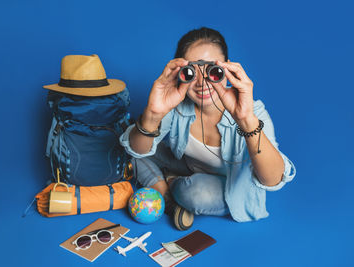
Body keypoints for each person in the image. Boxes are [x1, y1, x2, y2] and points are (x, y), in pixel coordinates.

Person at [120, 27, 296, 230]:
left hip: (230, 184)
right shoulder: (177, 103)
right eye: (191, 72)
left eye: (213, 71)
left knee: (194, 194)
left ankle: (174, 184)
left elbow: (273, 179)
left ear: (228, 70)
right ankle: (166, 191)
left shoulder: (252, 111)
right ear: (179, 73)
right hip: (187, 167)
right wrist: (152, 114)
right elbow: (138, 149)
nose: (202, 83)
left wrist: (246, 119)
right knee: (129, 143)